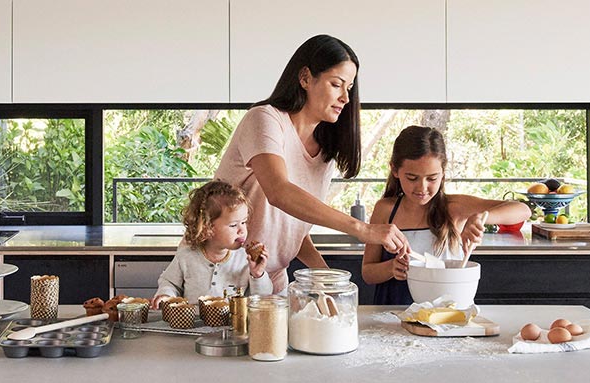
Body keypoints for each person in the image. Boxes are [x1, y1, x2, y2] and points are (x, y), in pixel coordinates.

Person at [214, 34, 409, 293]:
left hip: (270, 282)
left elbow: (292, 227)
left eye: (348, 88)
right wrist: (363, 229)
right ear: (305, 78)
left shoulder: (325, 154)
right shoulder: (264, 119)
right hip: (223, 278)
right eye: (336, 84)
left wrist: (328, 278)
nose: (345, 99)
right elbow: (279, 192)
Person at [361, 126, 531, 305]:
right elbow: (367, 273)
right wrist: (390, 268)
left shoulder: (454, 208)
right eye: (412, 178)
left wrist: (481, 217)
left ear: (443, 173)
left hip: (447, 316)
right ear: (395, 170)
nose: (422, 188)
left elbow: (522, 210)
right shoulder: (385, 210)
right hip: (393, 313)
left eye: (432, 178)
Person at [153, 181, 271, 304]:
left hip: (233, 322)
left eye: (244, 222)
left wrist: (257, 274)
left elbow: (263, 299)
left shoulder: (245, 260)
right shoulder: (186, 256)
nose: (242, 230)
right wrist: (165, 295)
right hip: (192, 322)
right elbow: (169, 282)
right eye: (233, 225)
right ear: (206, 227)